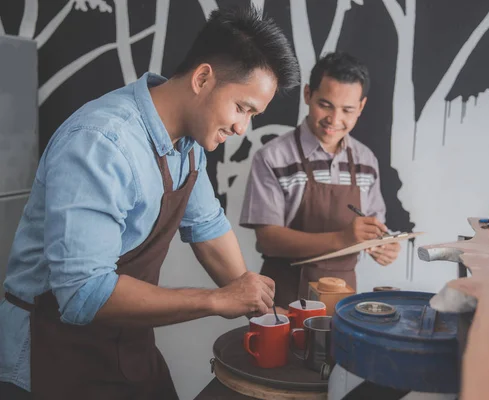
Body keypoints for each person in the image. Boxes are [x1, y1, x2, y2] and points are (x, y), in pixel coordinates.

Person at [0, 6, 299, 400]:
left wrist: (260, 308)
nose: (242, 128)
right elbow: (83, 294)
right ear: (203, 78)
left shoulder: (189, 146)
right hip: (51, 351)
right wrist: (216, 300)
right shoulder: (101, 143)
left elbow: (208, 228)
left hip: (125, 343)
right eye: (242, 108)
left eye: (252, 115)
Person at [240, 52, 400, 307]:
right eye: (325, 105)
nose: (334, 120)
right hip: (283, 296)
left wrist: (384, 245)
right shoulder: (272, 157)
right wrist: (343, 238)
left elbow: (375, 227)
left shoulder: (366, 161)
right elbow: (268, 239)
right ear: (307, 95)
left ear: (361, 107)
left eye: (347, 109)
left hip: (344, 301)